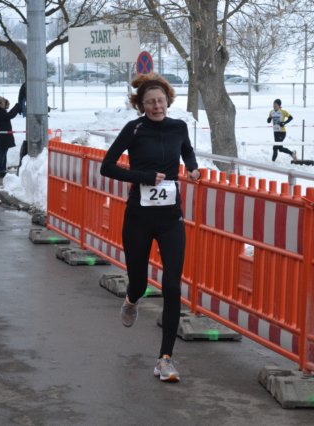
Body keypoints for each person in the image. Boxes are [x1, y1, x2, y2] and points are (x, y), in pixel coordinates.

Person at [100, 72, 200, 383]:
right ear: (141, 105)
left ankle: (165, 359)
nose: (157, 106)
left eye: (161, 101)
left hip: (170, 218)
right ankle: (132, 300)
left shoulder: (179, 127)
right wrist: (142, 177)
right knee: (140, 283)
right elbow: (107, 166)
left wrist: (193, 168)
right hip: (138, 218)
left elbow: (186, 150)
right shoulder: (134, 129)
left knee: (172, 286)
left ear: (168, 100)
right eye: (150, 102)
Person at [0, 96, 21, 178]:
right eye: (3, 103)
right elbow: (9, 115)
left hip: (2, 135)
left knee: (2, 152)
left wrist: (15, 107)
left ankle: (2, 169)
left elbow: (8, 114)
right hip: (2, 136)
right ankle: (0, 170)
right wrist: (16, 107)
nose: (4, 104)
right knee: (1, 153)